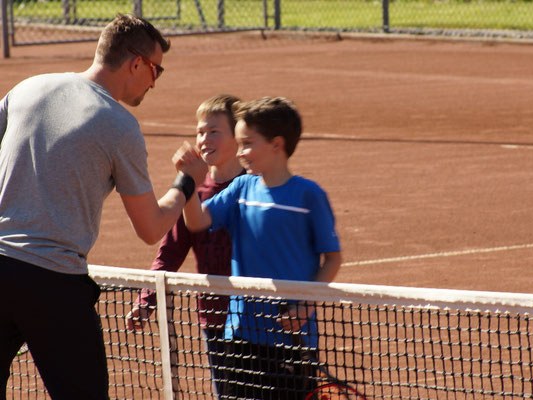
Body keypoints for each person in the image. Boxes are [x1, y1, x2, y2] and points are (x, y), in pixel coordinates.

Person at [0, 14, 198, 400]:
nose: (154, 82)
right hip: (53, 281)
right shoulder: (118, 125)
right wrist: (186, 182)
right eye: (156, 70)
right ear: (136, 63)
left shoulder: (28, 87)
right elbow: (150, 227)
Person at [173, 96, 343, 399]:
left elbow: (332, 258)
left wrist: (306, 306)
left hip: (291, 340)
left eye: (247, 144)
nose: (240, 152)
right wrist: (188, 183)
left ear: (276, 144)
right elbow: (196, 221)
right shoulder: (241, 188)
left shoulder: (309, 196)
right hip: (240, 334)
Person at [126, 94, 245, 398]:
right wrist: (146, 300)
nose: (203, 140)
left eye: (214, 131)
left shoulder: (256, 187)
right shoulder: (192, 193)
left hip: (258, 319)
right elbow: (170, 252)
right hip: (215, 320)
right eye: (200, 132)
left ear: (239, 136)